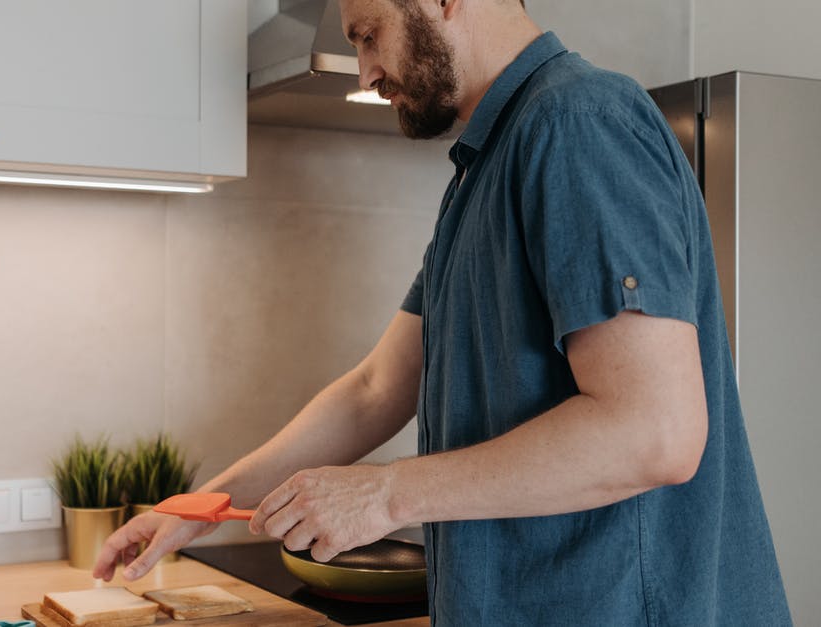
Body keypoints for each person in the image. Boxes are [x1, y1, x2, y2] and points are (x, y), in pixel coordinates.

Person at [94, 0, 792, 623]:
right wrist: (197, 506)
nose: (365, 71)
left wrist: (387, 494)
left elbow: (656, 430)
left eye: (369, 34)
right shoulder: (482, 169)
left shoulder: (579, 122)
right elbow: (376, 387)